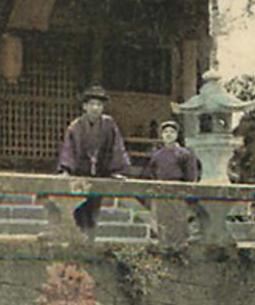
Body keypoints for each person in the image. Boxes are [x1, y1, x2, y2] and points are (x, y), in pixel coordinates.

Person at [58, 85, 131, 231]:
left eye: (99, 104)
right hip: (80, 172)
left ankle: (90, 239)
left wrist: (115, 170)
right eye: (92, 104)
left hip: (101, 172)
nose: (95, 108)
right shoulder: (75, 127)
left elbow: (116, 147)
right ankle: (80, 240)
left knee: (94, 211)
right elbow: (68, 149)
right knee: (79, 210)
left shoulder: (109, 125)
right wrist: (66, 169)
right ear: (85, 106)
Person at [141, 119, 201, 248]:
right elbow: (151, 173)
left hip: (178, 189)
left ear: (177, 135)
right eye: (165, 132)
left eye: (172, 132)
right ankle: (164, 245)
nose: (168, 135)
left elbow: (191, 173)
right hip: (161, 189)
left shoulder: (184, 154)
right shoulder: (156, 155)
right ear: (161, 135)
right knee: (163, 219)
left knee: (178, 219)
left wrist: (188, 189)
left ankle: (179, 247)